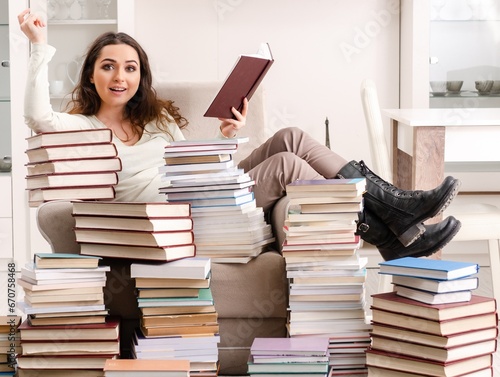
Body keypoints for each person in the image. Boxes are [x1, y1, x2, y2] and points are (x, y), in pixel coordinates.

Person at [19, 9, 461, 261]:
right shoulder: (82, 127)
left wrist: (229, 137)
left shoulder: (156, 120)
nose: (120, 76)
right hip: (169, 218)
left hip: (198, 193)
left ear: (141, 76)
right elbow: (38, 115)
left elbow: (196, 169)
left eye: (130, 67)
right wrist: (38, 45)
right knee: (288, 164)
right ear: (92, 75)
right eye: (108, 66)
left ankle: (393, 215)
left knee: (290, 136)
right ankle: (393, 224)